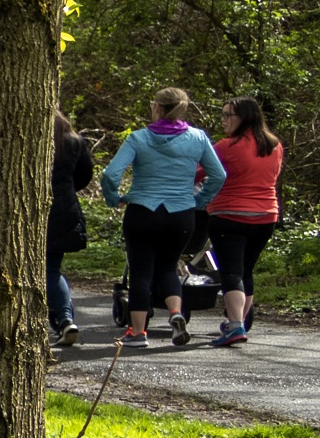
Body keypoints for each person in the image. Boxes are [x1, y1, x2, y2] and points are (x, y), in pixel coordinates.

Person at [102, 87, 226, 345]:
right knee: (168, 268)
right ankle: (175, 314)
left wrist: (114, 198)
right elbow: (219, 175)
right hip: (180, 215)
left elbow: (110, 175)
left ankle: (137, 333)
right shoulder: (198, 138)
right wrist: (199, 201)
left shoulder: (138, 139)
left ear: (157, 107)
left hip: (142, 212)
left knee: (140, 272)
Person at [208, 95, 283, 347]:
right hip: (265, 216)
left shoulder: (226, 146)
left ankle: (236, 325)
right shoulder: (274, 145)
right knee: (246, 270)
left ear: (244, 117)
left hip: (229, 215)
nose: (223, 120)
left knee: (230, 271)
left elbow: (199, 173)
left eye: (228, 115)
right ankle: (236, 321)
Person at [50, 109, 93, 348]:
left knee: (48, 271)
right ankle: (61, 321)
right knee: (52, 268)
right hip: (66, 210)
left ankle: (65, 319)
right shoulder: (73, 141)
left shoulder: (31, 137)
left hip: (40, 210)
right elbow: (85, 175)